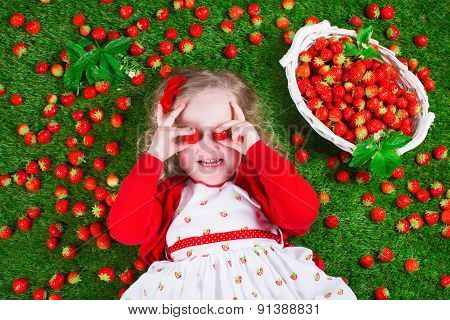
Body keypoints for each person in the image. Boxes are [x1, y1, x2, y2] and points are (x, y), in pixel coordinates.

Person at [107, 68, 357, 300]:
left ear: (245, 132)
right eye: (189, 134)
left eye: (222, 132)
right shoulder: (167, 194)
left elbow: (302, 214)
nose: (208, 146)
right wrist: (154, 157)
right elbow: (125, 230)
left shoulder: (257, 181)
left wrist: (256, 150)